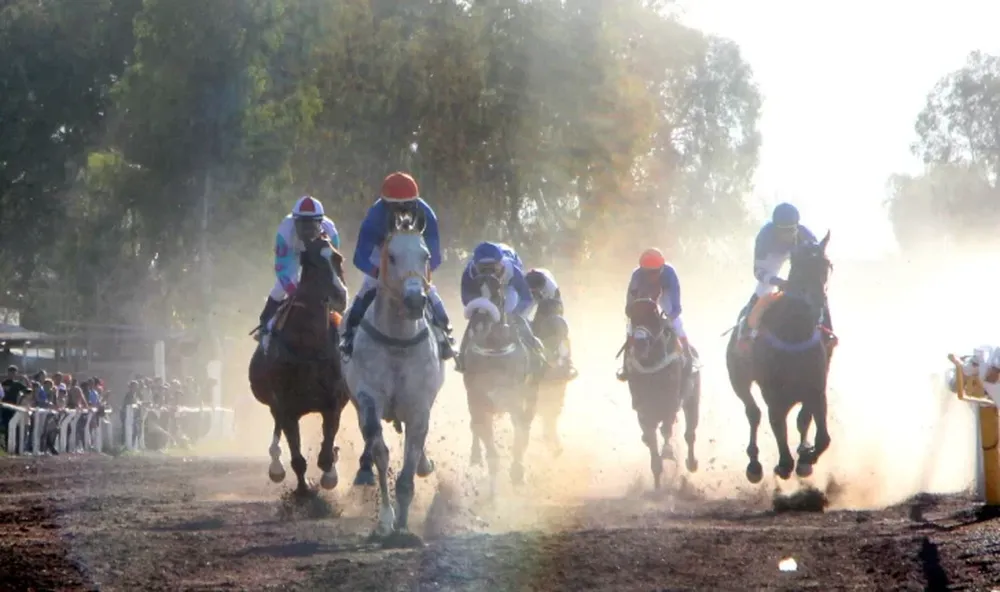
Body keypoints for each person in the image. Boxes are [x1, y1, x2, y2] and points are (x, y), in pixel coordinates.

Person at [339, 171, 456, 359]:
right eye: (395, 207)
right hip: (384, 256)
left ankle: (446, 335)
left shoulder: (427, 215)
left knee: (430, 291)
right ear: (386, 204)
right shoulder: (375, 216)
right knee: (367, 287)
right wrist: (379, 273)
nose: (402, 212)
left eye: (407, 206)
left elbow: (434, 256)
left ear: (415, 203)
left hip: (414, 259)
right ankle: (349, 336)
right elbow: (360, 256)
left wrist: (418, 276)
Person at [734, 202, 830, 350]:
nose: (787, 235)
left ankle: (827, 331)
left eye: (791, 230)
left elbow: (817, 263)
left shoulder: (806, 236)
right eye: (782, 231)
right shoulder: (764, 238)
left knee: (816, 289)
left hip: (799, 256)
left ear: (796, 227)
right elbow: (758, 271)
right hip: (774, 256)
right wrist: (778, 281)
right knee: (763, 289)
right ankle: (746, 329)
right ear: (774, 228)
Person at [255, 195, 340, 342]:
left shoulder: (331, 234)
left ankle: (344, 330)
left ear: (320, 222)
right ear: (294, 221)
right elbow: (282, 269)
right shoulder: (285, 231)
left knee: (336, 289)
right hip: (293, 254)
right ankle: (264, 324)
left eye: (311, 225)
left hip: (317, 254)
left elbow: (333, 268)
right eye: (302, 225)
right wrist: (296, 292)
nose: (306, 231)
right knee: (280, 288)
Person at [457, 241, 548, 377]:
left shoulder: (512, 270)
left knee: (516, 318)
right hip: (482, 291)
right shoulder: (469, 273)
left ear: (501, 264)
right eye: (483, 268)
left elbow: (526, 297)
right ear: (475, 266)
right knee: (474, 321)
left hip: (507, 288)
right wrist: (479, 308)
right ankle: (462, 356)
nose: (489, 272)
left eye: (493, 268)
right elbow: (466, 298)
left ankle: (535, 352)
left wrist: (515, 315)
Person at [617, 247, 693, 381]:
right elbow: (630, 303)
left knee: (676, 323)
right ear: (642, 270)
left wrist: (670, 317)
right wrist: (634, 315)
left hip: (665, 292)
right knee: (630, 328)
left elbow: (676, 304)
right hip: (646, 296)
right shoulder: (637, 276)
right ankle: (625, 365)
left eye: (655, 272)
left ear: (662, 268)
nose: (651, 276)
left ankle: (688, 356)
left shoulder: (670, 274)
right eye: (647, 273)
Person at [525, 268, 577, 378]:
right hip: (534, 299)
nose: (534, 293)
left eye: (536, 291)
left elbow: (557, 310)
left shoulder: (550, 288)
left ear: (542, 288)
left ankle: (567, 361)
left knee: (557, 326)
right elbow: (524, 311)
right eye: (532, 291)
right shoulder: (523, 285)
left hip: (551, 302)